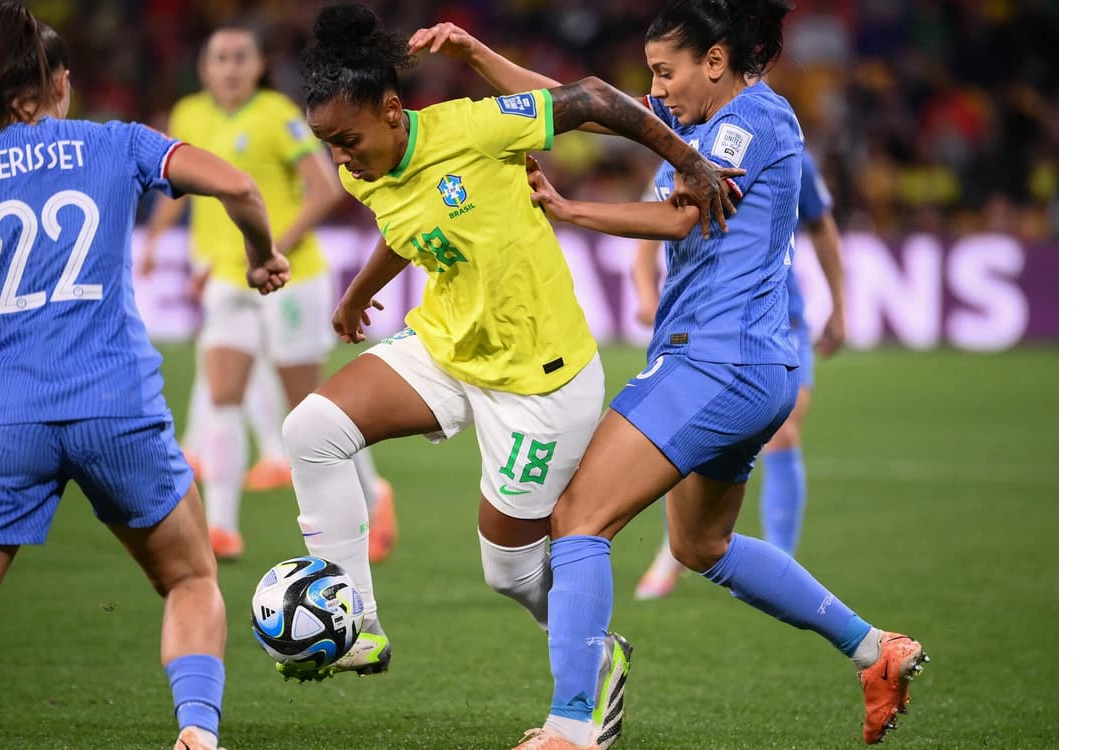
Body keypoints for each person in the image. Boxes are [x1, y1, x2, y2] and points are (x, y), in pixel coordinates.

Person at [408, 2, 926, 748]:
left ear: (715, 61)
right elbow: (585, 108)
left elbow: (686, 216)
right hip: (749, 366)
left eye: (665, 72)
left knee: (578, 520)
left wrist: (568, 208)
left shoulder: (754, 122)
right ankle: (875, 651)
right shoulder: (701, 120)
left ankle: (571, 724)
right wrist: (475, 54)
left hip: (714, 359)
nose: (657, 89)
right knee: (699, 546)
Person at [278, 4, 738, 748]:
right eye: (329, 142)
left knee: (512, 575)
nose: (342, 157)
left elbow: (591, 96)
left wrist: (686, 160)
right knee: (312, 430)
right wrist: (362, 291)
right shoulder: (362, 167)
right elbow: (404, 228)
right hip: (449, 345)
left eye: (349, 138)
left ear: (394, 111)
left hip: (540, 380)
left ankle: (595, 656)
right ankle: (354, 622)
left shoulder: (474, 127)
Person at [0, 4, 287, 749]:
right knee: (192, 579)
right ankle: (196, 730)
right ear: (63, 83)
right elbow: (239, 187)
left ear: (3, 94)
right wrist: (261, 253)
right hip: (117, 408)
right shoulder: (117, 143)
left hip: (8, 417)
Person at [137, 19, 397, 563]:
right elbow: (177, 186)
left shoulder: (279, 116)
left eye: (240, 58)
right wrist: (157, 240)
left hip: (290, 277)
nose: (229, 68)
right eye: (219, 58)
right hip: (228, 279)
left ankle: (375, 496)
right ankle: (222, 529)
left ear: (258, 67)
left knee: (309, 407)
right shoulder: (188, 116)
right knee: (223, 396)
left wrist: (272, 247)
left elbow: (325, 189)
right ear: (204, 68)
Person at [633, 146, 847, 599]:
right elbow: (646, 240)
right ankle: (673, 548)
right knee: (683, 441)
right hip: (699, 330)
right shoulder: (675, 155)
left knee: (785, 433)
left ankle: (780, 562)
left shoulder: (785, 152)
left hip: (777, 322)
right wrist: (646, 297)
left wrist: (840, 307)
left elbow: (821, 224)